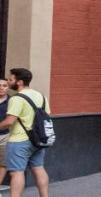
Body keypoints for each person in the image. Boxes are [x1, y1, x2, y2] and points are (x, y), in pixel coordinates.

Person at [0, 69, 49, 197]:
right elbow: (47, 116)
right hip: (38, 140)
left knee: (16, 173)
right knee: (39, 168)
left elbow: (9, 122)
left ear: (19, 82)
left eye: (11, 80)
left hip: (19, 141)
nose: (9, 82)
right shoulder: (41, 96)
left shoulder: (17, 98)